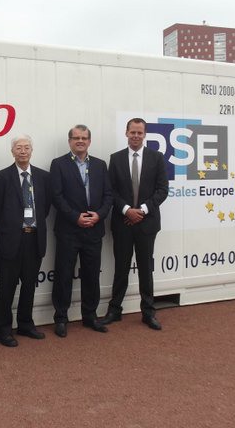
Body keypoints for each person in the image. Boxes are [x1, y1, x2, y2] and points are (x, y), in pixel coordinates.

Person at [101, 118, 169, 330]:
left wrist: (143, 210)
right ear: (126, 133)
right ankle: (114, 310)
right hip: (123, 222)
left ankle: (148, 312)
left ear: (145, 134)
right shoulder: (116, 158)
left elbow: (162, 190)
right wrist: (126, 210)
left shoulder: (157, 158)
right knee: (121, 268)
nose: (136, 136)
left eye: (140, 132)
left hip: (147, 224)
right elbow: (110, 190)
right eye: (133, 132)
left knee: (146, 269)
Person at [50, 124, 112, 337]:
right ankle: (61, 318)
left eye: (84, 138)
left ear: (89, 141)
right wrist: (75, 217)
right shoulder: (58, 164)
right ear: (69, 141)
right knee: (63, 275)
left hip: (94, 229)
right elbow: (56, 196)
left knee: (91, 275)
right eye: (76, 138)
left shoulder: (100, 165)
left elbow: (108, 195)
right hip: (69, 229)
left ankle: (90, 316)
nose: (80, 141)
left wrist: (99, 215)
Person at [0, 135, 52, 347]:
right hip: (11, 240)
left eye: (26, 147)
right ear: (12, 152)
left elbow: (45, 208)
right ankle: (2, 329)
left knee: (29, 285)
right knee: (6, 287)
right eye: (19, 148)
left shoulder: (43, 177)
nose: (23, 151)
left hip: (34, 238)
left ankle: (26, 324)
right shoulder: (2, 177)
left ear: (32, 151)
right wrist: (12, 227)